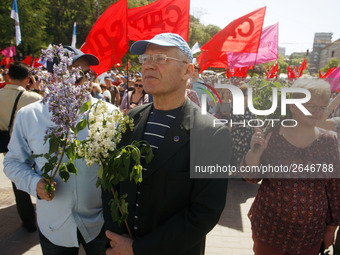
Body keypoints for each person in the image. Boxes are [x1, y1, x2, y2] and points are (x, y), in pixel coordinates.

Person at [102, 33, 231, 255]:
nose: (149, 66)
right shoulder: (131, 119)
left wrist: (139, 249)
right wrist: (117, 237)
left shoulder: (211, 133)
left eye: (161, 58)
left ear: (188, 71)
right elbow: (112, 184)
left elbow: (205, 211)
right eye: (145, 59)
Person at [4, 46, 114, 254]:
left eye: (88, 74)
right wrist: (34, 183)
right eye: (75, 76)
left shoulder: (109, 114)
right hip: (55, 225)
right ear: (53, 79)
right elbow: (13, 162)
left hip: (99, 223)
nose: (84, 81)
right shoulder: (30, 115)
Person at [243, 78, 340, 255]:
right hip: (270, 231)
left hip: (310, 235)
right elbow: (251, 178)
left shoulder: (330, 141)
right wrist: (255, 153)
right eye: (310, 105)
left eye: (321, 107)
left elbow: (334, 187)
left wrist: (331, 228)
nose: (317, 112)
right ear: (293, 106)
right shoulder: (271, 135)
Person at [0, 61, 42, 232]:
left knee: (18, 180)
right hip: (31, 145)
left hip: (7, 144)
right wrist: (36, 89)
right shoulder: (33, 98)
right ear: (28, 78)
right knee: (39, 178)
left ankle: (28, 221)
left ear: (8, 76)